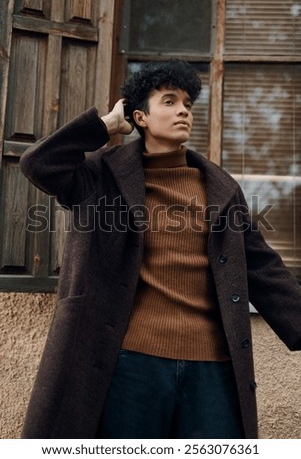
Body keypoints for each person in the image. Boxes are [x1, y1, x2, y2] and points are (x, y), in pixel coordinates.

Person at [19, 59, 301, 439]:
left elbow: (263, 267)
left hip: (213, 367)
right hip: (130, 363)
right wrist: (105, 127)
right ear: (141, 117)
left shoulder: (221, 187)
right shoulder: (101, 175)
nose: (184, 109)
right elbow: (39, 164)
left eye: (187, 102)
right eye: (169, 101)